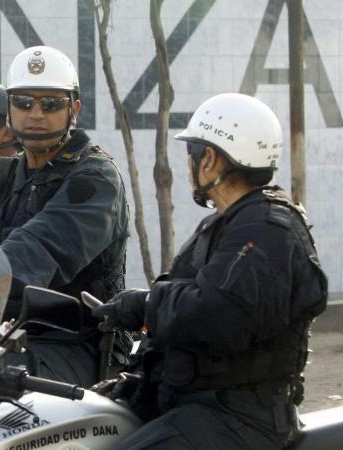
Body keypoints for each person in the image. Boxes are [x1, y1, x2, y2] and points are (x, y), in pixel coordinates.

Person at [91, 93, 328, 450]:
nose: (189, 164)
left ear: (210, 159)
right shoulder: (229, 224)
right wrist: (142, 379)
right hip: (200, 405)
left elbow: (218, 316)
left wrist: (145, 304)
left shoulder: (264, 229)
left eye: (193, 154)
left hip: (239, 419)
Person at [0, 46, 130, 386]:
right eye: (24, 102)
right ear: (9, 111)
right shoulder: (5, 175)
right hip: (8, 332)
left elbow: (39, 248)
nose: (36, 113)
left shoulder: (95, 178)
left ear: (74, 110)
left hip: (82, 343)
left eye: (52, 103)